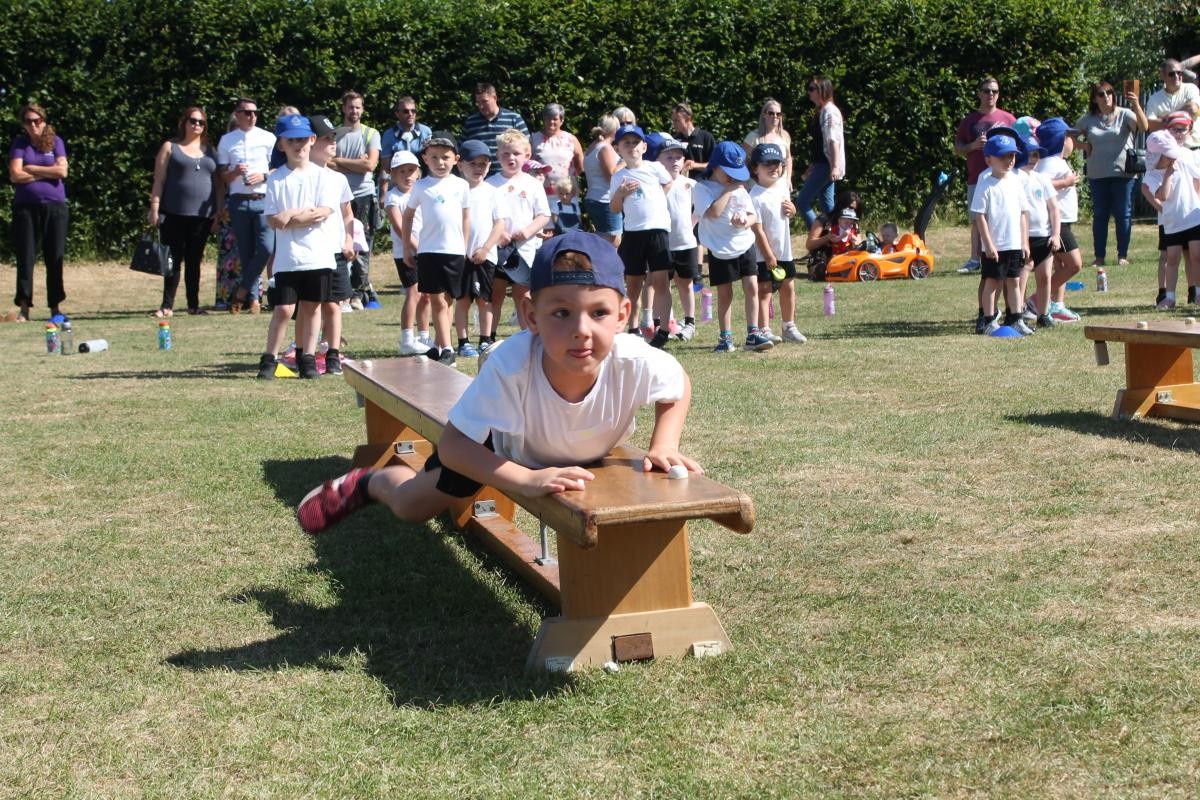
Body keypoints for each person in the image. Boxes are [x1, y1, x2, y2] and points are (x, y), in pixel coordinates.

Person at [296, 231, 701, 536]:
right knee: (412, 506)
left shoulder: (632, 356)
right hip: (501, 447)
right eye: (561, 313)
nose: (581, 331)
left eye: (598, 312)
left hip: (587, 450)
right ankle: (372, 480)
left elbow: (677, 382)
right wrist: (523, 479)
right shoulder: (512, 363)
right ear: (530, 315)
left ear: (622, 313)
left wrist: (664, 444)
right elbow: (455, 446)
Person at [257, 114, 356, 379]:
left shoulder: (323, 176)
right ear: (282, 144)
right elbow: (274, 219)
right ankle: (269, 359)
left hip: (319, 255)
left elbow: (323, 212)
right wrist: (292, 215)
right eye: (292, 140)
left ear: (311, 140)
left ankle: (308, 358)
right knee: (284, 309)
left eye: (302, 139)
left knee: (313, 307)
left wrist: (291, 215)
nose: (298, 145)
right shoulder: (277, 179)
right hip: (288, 257)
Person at [694, 141, 771, 353]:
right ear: (715, 167)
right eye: (728, 172)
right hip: (720, 248)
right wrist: (728, 189)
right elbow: (713, 212)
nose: (732, 177)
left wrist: (745, 221)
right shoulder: (702, 188)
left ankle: (753, 333)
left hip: (744, 243)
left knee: (752, 287)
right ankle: (725, 337)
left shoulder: (739, 187)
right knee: (725, 293)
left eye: (735, 173)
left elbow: (752, 214)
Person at [402, 132, 471, 366]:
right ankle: (448, 349)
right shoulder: (421, 187)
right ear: (425, 159)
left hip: (454, 251)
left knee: (447, 300)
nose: (440, 162)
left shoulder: (461, 185)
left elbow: (465, 217)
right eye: (434, 157)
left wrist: (464, 247)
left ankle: (441, 345)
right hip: (429, 250)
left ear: (455, 159)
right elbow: (408, 216)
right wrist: (406, 246)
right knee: (437, 300)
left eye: (445, 157)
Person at [147, 106, 218, 316]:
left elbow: (219, 183)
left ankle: (193, 305)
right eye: (193, 121)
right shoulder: (170, 147)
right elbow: (158, 179)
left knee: (194, 260)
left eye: (201, 122)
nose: (197, 125)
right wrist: (154, 207)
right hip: (173, 213)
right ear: (184, 123)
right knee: (172, 260)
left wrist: (218, 210)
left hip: (202, 216)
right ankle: (167, 305)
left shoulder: (210, 150)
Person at [609, 124, 674, 348]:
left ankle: (664, 330)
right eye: (626, 143)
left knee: (660, 281)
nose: (632, 146)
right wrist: (622, 193)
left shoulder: (654, 168)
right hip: (633, 233)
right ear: (618, 148)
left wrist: (656, 201)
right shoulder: (619, 177)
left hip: (657, 230)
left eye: (636, 142)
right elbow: (615, 208)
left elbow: (668, 182)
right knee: (633, 282)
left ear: (644, 146)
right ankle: (633, 328)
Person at [1076, 81, 1148, 267]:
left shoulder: (1125, 113)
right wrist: (1083, 145)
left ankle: (1122, 256)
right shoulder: (1088, 119)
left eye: (1109, 92)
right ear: (1094, 98)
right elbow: (1069, 136)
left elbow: (1144, 126)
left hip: (1123, 174)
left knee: (1123, 214)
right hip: (1097, 174)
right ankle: (1099, 257)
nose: (1106, 96)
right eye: (1101, 94)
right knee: (1100, 215)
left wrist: (1136, 105)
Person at [486, 128, 551, 337]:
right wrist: (499, 233)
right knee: (494, 295)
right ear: (498, 155)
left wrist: (526, 231)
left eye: (516, 153)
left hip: (525, 250)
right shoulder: (490, 184)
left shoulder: (532, 184)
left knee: (523, 295)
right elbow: (483, 215)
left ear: (526, 155)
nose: (511, 158)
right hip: (497, 249)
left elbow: (543, 215)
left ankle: (528, 336)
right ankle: (489, 337)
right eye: (505, 153)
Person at [9, 103, 69, 322]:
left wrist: (32, 169)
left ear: (44, 121)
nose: (33, 125)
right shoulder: (20, 143)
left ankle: (55, 306)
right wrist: (48, 173)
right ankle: (24, 307)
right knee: (26, 257)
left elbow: (62, 170)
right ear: (23, 124)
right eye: (28, 121)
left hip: (55, 207)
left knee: (55, 256)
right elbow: (15, 175)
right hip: (25, 207)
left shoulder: (56, 142)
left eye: (37, 120)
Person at [971, 132, 1034, 336]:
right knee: (992, 281)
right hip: (995, 245)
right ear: (988, 159)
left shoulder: (1016, 180)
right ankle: (989, 320)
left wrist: (1024, 242)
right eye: (1003, 156)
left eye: (1012, 156)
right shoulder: (985, 182)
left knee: (1014, 281)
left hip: (1014, 243)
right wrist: (988, 245)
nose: (1009, 161)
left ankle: (1016, 318)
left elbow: (1023, 213)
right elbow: (979, 216)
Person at [218, 98, 276, 313]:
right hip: (239, 201)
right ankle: (253, 299)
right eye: (247, 112)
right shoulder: (227, 140)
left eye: (255, 112)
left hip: (263, 199)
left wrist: (262, 175)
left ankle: (242, 291)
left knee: (266, 248)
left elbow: (277, 169)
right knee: (246, 252)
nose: (252, 116)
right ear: (238, 114)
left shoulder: (268, 138)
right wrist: (234, 172)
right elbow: (222, 176)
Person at [953, 77, 1016, 274]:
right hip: (977, 177)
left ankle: (1008, 254)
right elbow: (957, 148)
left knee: (1005, 216)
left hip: (1004, 178)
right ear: (979, 93)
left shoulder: (1009, 119)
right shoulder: (970, 121)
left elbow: (1020, 145)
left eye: (994, 91)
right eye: (987, 91)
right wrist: (974, 146)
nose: (990, 95)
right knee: (977, 218)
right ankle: (975, 259)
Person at [330, 90, 381, 309]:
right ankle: (342, 290)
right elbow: (327, 161)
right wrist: (354, 162)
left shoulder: (371, 133)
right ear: (343, 108)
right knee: (339, 242)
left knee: (362, 243)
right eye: (351, 107)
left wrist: (341, 162)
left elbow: (370, 165)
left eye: (358, 107)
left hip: (363, 195)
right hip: (339, 195)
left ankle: (359, 291)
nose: (355, 111)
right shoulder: (335, 134)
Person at [749, 143, 804, 344]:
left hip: (784, 250)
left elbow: (787, 213)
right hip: (763, 254)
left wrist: (794, 210)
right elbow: (757, 229)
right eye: (767, 164)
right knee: (764, 290)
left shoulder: (782, 187)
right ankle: (764, 329)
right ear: (755, 168)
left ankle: (789, 325)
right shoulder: (754, 196)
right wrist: (769, 255)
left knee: (788, 286)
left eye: (778, 164)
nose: (774, 168)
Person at [457, 139, 507, 357]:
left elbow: (500, 224)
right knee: (462, 299)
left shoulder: (492, 192)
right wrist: (461, 250)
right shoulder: (455, 189)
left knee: (485, 299)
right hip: (460, 255)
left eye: (483, 164)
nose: (478, 169)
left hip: (486, 256)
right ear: (460, 165)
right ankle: (462, 341)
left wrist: (486, 249)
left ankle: (486, 339)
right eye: (473, 163)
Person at [1034, 118, 1085, 325]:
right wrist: (1066, 182)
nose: (1073, 140)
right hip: (1057, 222)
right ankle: (1035, 300)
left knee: (1061, 264)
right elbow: (1038, 185)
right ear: (1061, 140)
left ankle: (1056, 304)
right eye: (1070, 136)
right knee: (1074, 264)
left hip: (1064, 220)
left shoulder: (1057, 161)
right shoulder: (1048, 163)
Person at [1143, 129, 1200, 310]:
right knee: (1172, 259)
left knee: (1196, 256)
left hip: (1192, 217)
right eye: (1168, 156)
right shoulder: (1152, 175)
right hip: (1172, 223)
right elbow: (1163, 196)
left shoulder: (1182, 160)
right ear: (1158, 156)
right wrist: (1168, 174)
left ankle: (1198, 293)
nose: (1172, 159)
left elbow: (1198, 176)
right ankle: (1170, 297)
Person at [385, 151, 429, 356]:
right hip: (405, 252)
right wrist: (415, 247)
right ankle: (406, 339)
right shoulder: (393, 197)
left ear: (418, 172)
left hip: (425, 249)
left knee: (427, 295)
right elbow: (399, 226)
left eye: (411, 170)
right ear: (393, 174)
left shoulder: (421, 192)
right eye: (402, 171)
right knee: (414, 292)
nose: (407, 175)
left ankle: (424, 335)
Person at [656, 136, 699, 341]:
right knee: (661, 285)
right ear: (658, 161)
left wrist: (691, 224)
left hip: (685, 243)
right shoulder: (655, 185)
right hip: (662, 244)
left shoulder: (689, 184)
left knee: (686, 283)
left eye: (678, 157)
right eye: (669, 157)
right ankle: (663, 325)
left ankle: (690, 323)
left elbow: (704, 205)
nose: (674, 161)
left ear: (684, 162)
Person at [1016, 133, 1061, 328]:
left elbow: (1053, 208)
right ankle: (1017, 312)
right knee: (1022, 275)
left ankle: (1044, 314)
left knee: (1044, 276)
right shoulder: (1014, 177)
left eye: (1036, 155)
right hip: (1023, 236)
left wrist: (1056, 234)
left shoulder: (1042, 179)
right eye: (1029, 154)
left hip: (1044, 235)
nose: (1033, 159)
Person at [795, 76, 845, 227]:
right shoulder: (823, 111)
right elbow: (819, 144)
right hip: (822, 164)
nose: (808, 92)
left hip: (826, 165)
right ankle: (836, 238)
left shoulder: (829, 112)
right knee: (827, 206)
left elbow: (833, 140)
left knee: (802, 201)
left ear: (822, 90)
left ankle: (818, 238)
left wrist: (835, 166)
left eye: (811, 89)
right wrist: (813, 165)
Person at [461, 82, 530, 176]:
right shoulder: (471, 122)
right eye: (478, 102)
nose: (481, 106)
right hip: (480, 178)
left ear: (495, 98)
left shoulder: (514, 118)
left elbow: (527, 147)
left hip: (509, 177)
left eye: (484, 101)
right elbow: (462, 150)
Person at [379, 94, 432, 198]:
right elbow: (385, 167)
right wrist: (383, 194)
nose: (410, 114)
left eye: (413, 111)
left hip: (422, 183)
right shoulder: (389, 135)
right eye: (405, 111)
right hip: (397, 187)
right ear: (397, 114)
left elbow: (430, 162)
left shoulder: (426, 132)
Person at [583, 113, 622, 244]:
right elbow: (611, 176)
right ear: (615, 130)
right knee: (613, 241)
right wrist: (626, 161)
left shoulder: (592, 146)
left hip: (593, 198)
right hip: (605, 200)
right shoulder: (605, 148)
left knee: (601, 237)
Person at [531, 103, 584, 198]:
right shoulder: (534, 139)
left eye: (555, 119)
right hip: (541, 193)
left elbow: (580, 165)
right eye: (548, 118)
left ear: (561, 120)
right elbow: (527, 163)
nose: (551, 122)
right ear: (544, 119)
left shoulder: (571, 139)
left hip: (567, 194)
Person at [1146, 59, 1200, 148]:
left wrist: (1164, 119)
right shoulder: (1154, 99)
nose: (1176, 76)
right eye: (1171, 74)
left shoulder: (1191, 89)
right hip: (1167, 151)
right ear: (1162, 76)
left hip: (1193, 148)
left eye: (1179, 73)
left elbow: (1192, 109)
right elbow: (1151, 126)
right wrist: (1182, 115)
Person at [743, 98, 793, 187]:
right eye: (771, 113)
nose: (775, 116)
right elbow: (742, 159)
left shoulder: (785, 136)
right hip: (757, 185)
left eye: (778, 114)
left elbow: (788, 158)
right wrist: (744, 179)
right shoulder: (753, 136)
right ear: (764, 115)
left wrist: (788, 179)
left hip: (780, 185)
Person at [670, 103, 717, 181]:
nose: (673, 124)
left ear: (688, 119)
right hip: (680, 184)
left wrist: (695, 165)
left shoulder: (706, 137)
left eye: (677, 120)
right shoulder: (675, 139)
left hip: (703, 184)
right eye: (673, 120)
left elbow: (715, 165)